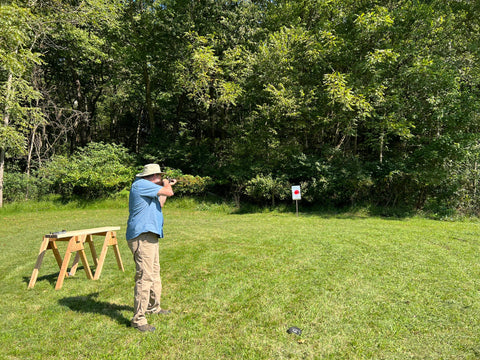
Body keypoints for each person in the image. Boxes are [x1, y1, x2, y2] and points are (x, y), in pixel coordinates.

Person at [126, 163, 177, 332]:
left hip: (150, 235)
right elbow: (169, 191)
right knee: (144, 277)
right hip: (142, 236)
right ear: (153, 177)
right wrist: (167, 184)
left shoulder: (149, 189)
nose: (161, 179)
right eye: (160, 177)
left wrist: (165, 186)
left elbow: (161, 202)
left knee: (154, 272)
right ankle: (138, 319)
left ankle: (153, 307)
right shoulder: (140, 185)